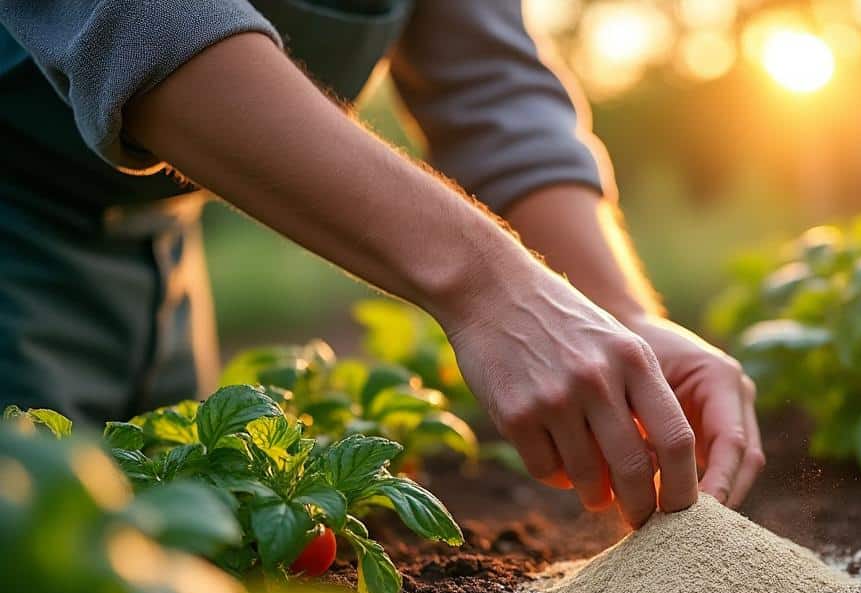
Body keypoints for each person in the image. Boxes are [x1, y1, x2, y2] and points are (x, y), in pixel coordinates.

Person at [0, 1, 764, 527]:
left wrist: (618, 313)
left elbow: (489, 86)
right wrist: (490, 287)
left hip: (157, 239)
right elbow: (141, 25)